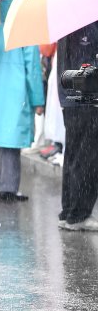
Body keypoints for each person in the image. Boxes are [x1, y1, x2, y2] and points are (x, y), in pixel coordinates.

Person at [0, 0, 45, 202]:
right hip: (18, 97)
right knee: (13, 144)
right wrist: (38, 100)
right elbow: (33, 71)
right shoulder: (26, 37)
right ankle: (9, 188)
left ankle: (4, 185)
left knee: (5, 143)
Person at [56, 22, 98, 231]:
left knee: (73, 155)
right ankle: (78, 214)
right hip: (85, 100)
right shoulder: (83, 25)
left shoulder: (68, 23)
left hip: (73, 100)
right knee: (87, 157)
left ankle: (69, 211)